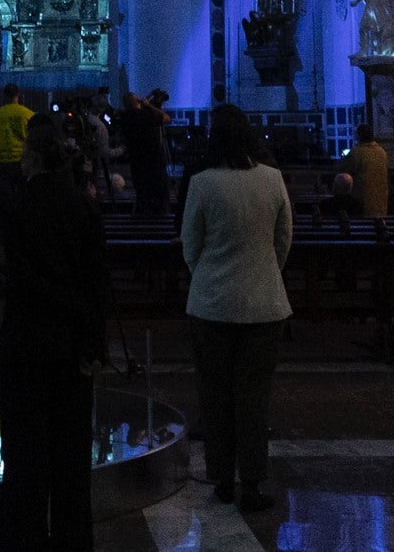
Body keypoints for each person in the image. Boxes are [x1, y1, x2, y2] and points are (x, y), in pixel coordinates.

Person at [0, 113, 109, 551]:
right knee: (71, 457)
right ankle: (73, 541)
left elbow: (12, 277)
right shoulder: (83, 204)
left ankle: (22, 541)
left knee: (24, 457)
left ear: (36, 158)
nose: (21, 160)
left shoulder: (17, 204)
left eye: (25, 153)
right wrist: (94, 343)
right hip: (72, 344)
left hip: (26, 343)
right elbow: (97, 281)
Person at [180, 105, 290, 511]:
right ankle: (253, 482)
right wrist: (266, 272)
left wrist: (207, 277)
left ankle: (222, 479)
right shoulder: (273, 179)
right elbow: (283, 239)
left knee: (215, 395)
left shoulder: (202, 183)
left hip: (211, 305)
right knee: (254, 397)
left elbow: (190, 244)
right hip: (263, 305)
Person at [119, 91, 173, 218]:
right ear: (137, 102)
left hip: (136, 164)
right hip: (154, 163)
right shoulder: (146, 115)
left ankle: (144, 221)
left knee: (143, 197)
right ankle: (161, 221)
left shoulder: (125, 118)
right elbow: (167, 118)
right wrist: (149, 106)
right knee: (161, 197)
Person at [0, 84, 32, 219]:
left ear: (4, 96)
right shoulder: (27, 114)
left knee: (5, 199)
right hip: (23, 162)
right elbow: (32, 139)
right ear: (18, 95)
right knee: (24, 197)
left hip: (4, 162)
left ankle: (6, 225)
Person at [344, 123, 390, 219]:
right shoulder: (382, 152)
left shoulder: (356, 153)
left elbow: (345, 173)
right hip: (380, 199)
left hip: (362, 200)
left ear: (359, 136)